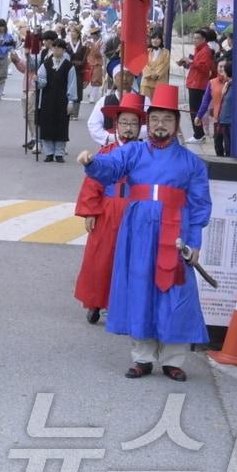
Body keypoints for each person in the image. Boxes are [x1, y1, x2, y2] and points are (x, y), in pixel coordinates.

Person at [77, 84, 210, 381]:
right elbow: (109, 166)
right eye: (155, 119)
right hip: (137, 233)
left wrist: (195, 242)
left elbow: (200, 205)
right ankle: (142, 357)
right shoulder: (134, 152)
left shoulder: (192, 164)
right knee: (139, 288)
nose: (159, 125)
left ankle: (173, 359)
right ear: (148, 123)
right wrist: (91, 162)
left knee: (175, 291)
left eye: (167, 119)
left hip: (176, 233)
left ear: (177, 124)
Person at [74, 93, 144, 324]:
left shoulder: (147, 154)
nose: (128, 128)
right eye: (124, 122)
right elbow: (93, 183)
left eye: (134, 123)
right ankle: (95, 302)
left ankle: (126, 304)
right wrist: (90, 211)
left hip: (136, 211)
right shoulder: (106, 152)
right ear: (116, 125)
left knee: (133, 259)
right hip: (108, 210)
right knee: (101, 258)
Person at [36, 37, 78, 162]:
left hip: (62, 99)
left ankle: (59, 153)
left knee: (61, 125)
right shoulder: (46, 64)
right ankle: (48, 152)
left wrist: (71, 101)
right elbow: (42, 82)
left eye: (59, 48)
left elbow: (72, 84)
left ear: (64, 50)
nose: (56, 50)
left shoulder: (69, 66)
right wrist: (38, 80)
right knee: (47, 124)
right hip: (47, 98)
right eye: (54, 47)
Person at [178, 29, 215, 140]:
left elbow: (205, 68)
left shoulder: (206, 51)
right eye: (194, 38)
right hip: (193, 82)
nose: (195, 40)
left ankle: (198, 134)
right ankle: (198, 133)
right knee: (194, 109)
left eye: (197, 38)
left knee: (195, 110)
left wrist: (191, 62)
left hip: (198, 84)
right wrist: (186, 63)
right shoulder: (198, 50)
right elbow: (195, 65)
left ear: (203, 39)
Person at [140, 30, 171, 98]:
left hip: (160, 82)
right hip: (146, 82)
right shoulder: (146, 51)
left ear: (161, 40)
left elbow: (164, 65)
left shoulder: (166, 52)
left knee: (158, 105)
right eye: (153, 38)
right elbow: (143, 65)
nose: (155, 40)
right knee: (145, 104)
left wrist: (156, 74)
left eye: (157, 38)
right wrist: (150, 74)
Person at [0, 19, 17, 100]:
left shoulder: (9, 36)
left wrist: (10, 51)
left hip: (4, 57)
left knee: (2, 75)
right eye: (0, 26)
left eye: (3, 26)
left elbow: (12, 46)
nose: (1, 28)